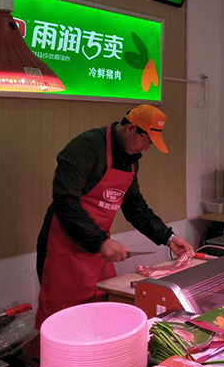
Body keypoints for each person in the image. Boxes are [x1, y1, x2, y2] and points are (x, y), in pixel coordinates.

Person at [33, 105, 194, 342]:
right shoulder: (85, 148)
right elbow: (65, 201)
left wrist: (168, 238)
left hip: (99, 252)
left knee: (101, 315)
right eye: (147, 142)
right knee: (64, 325)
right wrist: (100, 242)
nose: (147, 149)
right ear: (131, 129)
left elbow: (135, 206)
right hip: (63, 247)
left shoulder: (131, 159)